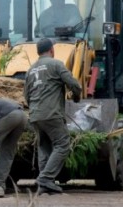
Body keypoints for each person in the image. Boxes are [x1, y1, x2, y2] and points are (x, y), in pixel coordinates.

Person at [24, 38, 83, 195]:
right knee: (62, 144)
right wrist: (76, 97)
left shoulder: (31, 69)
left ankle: (44, 186)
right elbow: (74, 84)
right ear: (52, 50)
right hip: (51, 114)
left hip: (35, 115)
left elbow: (26, 95)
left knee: (44, 147)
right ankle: (45, 178)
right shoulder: (56, 64)